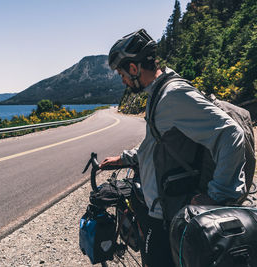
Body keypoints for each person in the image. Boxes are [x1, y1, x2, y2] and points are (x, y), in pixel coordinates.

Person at [100, 29, 247, 267]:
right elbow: (157, 144)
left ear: (134, 68)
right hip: (164, 208)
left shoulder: (172, 96)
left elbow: (231, 134)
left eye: (121, 73)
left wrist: (216, 197)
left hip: (170, 214)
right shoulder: (159, 93)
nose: (123, 80)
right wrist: (125, 158)